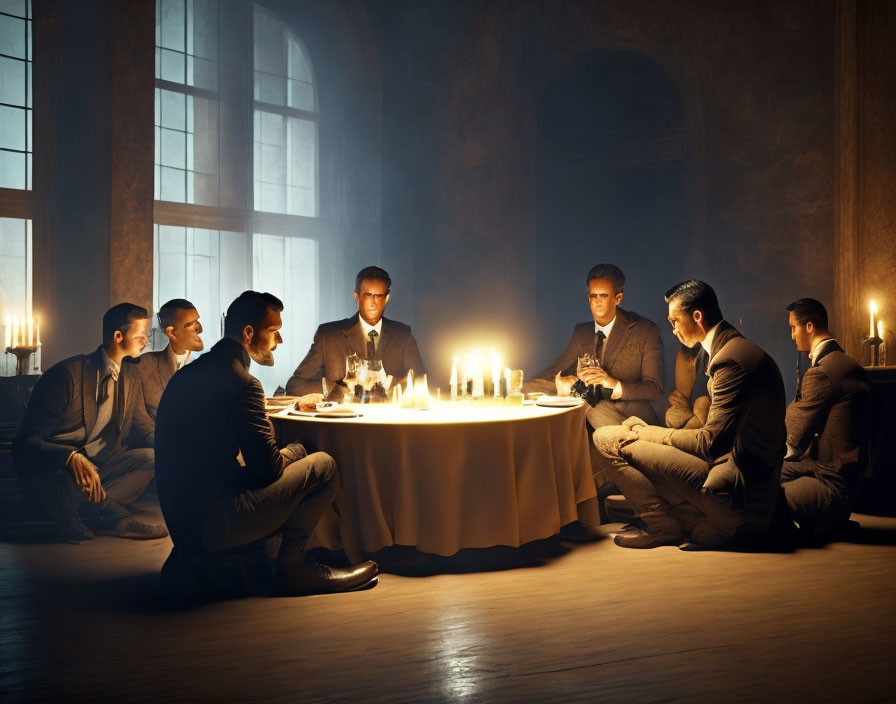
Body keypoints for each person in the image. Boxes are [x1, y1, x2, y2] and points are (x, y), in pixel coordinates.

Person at [155, 290, 378, 598]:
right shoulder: (243, 383)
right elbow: (267, 471)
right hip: (213, 522)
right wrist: (292, 445)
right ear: (249, 333)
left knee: (300, 453)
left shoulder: (190, 373)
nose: (279, 341)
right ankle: (296, 568)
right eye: (273, 331)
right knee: (323, 464)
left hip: (182, 520)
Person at [594, 280, 786, 549]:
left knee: (607, 438)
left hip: (737, 494)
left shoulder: (730, 361)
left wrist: (647, 432)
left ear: (697, 316)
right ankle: (678, 516)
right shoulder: (734, 348)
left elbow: (710, 444)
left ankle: (661, 524)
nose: (673, 330)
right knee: (634, 434)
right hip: (744, 481)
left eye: (675, 321)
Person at [13, 303, 167, 542]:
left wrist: (176, 445)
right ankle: (114, 518)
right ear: (118, 336)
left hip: (104, 465)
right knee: (54, 478)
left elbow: (142, 423)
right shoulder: (67, 374)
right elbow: (25, 443)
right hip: (60, 470)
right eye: (140, 336)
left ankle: (85, 513)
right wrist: (70, 457)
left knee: (155, 459)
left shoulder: (131, 375)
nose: (145, 341)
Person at [525, 263, 664, 429]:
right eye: (593, 296)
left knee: (581, 406)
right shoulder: (582, 332)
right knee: (538, 396)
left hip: (630, 416)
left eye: (603, 296)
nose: (597, 302)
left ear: (618, 298)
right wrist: (520, 386)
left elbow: (654, 388)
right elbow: (556, 372)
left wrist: (614, 384)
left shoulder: (645, 330)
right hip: (588, 409)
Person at [781, 298, 871, 541]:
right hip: (833, 476)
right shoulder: (843, 364)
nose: (792, 336)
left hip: (831, 487)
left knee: (759, 494)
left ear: (809, 327)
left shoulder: (824, 371)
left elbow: (791, 438)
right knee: (758, 474)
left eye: (793, 328)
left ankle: (824, 523)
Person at [285, 266, 425, 401]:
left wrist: (390, 383)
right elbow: (294, 385)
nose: (374, 302)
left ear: (386, 298)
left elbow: (421, 382)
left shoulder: (402, 334)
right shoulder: (329, 336)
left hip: (387, 421)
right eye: (368, 295)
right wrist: (337, 388)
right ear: (357, 297)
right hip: (344, 422)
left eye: (379, 296)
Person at [136, 298, 204, 422]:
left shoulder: (209, 367)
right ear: (171, 332)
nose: (200, 329)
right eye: (190, 324)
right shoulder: (143, 365)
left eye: (197, 321)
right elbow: (140, 419)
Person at [665, 343, 709, 429]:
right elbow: (679, 395)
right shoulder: (684, 350)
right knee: (672, 416)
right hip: (685, 406)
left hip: (703, 410)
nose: (675, 331)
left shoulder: (706, 357)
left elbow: (701, 420)